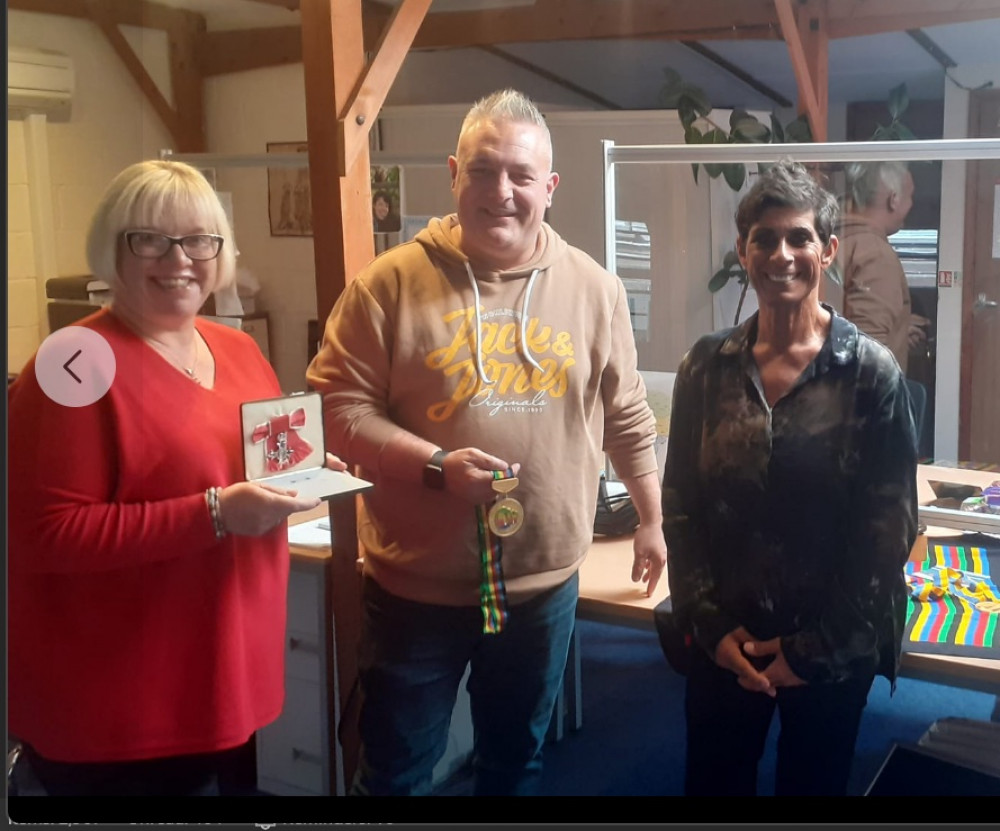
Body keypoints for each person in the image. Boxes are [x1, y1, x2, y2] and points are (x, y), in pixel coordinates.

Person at [306, 88, 666, 796]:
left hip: (541, 588)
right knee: (396, 776)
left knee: (515, 765)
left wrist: (652, 517)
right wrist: (435, 466)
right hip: (415, 593)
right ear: (453, 173)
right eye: (482, 170)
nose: (501, 191)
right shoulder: (387, 286)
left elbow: (626, 412)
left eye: (520, 175)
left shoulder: (595, 289)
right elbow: (334, 409)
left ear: (549, 188)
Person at [7, 159, 344, 796]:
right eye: (150, 240)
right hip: (123, 702)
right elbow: (43, 535)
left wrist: (304, 472)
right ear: (114, 249)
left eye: (197, 240)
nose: (179, 259)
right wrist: (213, 513)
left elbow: (249, 464)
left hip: (229, 675)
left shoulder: (236, 348)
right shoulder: (71, 362)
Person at [661, 159, 918, 796]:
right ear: (743, 253)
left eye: (799, 237)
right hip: (729, 642)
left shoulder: (869, 374)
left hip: (831, 645)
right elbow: (681, 506)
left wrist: (812, 651)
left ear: (827, 250)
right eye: (764, 239)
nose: (782, 254)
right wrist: (713, 629)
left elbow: (887, 531)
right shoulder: (706, 367)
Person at [837, 160, 930, 374]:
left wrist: (898, 329)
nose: (911, 204)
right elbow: (867, 350)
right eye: (910, 196)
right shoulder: (875, 254)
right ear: (894, 199)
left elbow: (840, 325)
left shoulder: (834, 240)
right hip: (865, 400)